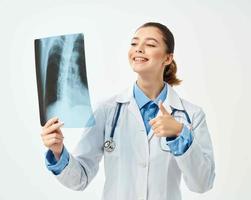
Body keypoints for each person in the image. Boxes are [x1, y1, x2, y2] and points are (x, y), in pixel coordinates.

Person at [41, 22, 216, 200]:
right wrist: (58, 152)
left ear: (168, 58)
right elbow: (80, 179)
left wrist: (180, 134)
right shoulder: (106, 110)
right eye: (134, 43)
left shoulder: (192, 115)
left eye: (150, 44)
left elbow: (202, 184)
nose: (139, 49)